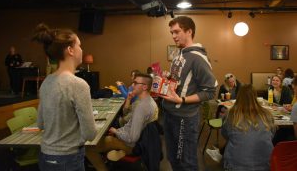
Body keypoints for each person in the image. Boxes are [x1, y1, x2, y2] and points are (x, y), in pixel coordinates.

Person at [32, 23, 98, 171]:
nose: (82, 49)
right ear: (70, 50)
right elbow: (90, 133)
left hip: (45, 157)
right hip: (68, 159)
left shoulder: (46, 82)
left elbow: (41, 123)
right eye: (79, 45)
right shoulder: (78, 85)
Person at [161, 16, 217, 170]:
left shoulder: (198, 58)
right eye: (171, 32)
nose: (173, 36)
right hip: (169, 114)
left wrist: (182, 100)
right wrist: (169, 78)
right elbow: (180, 83)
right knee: (173, 158)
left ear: (189, 31)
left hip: (184, 119)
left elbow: (210, 91)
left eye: (177, 31)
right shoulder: (179, 55)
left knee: (186, 162)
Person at [86, 73, 158, 170]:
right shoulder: (148, 101)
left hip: (129, 145)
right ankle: (110, 156)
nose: (132, 85)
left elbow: (132, 138)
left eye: (135, 83)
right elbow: (127, 117)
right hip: (131, 137)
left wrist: (116, 131)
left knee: (88, 148)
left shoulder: (141, 108)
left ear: (144, 87)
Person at [221, 84, 275, 171]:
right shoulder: (267, 115)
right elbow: (271, 135)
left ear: (238, 96)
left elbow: (225, 134)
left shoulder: (231, 115)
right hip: (265, 164)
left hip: (236, 165)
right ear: (255, 96)